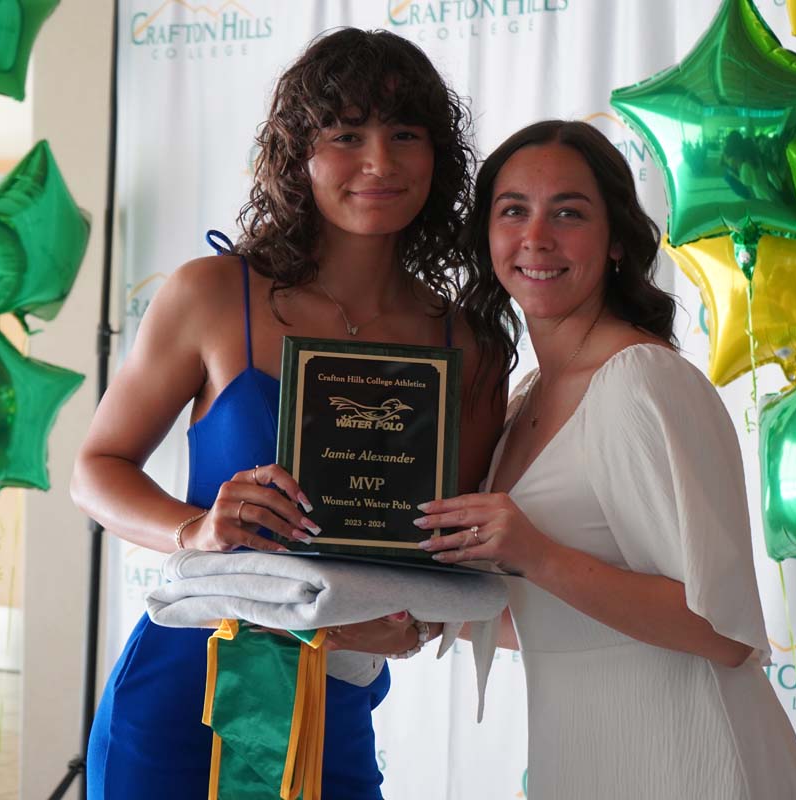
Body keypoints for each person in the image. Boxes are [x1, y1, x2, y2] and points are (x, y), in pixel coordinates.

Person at [70, 29, 504, 799]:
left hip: (335, 700)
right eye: (347, 135)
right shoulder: (211, 294)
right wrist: (193, 530)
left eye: (406, 134)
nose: (380, 162)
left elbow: (445, 554)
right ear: (298, 154)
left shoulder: (466, 344)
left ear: (439, 157)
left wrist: (411, 624)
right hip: (183, 694)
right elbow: (95, 471)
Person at [415, 120, 796, 799]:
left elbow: (722, 633)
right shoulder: (524, 400)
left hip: (692, 760)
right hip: (585, 755)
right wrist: (411, 604)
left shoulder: (642, 382)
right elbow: (554, 617)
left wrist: (536, 553)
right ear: (488, 236)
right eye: (514, 211)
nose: (537, 237)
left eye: (568, 213)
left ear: (619, 243)